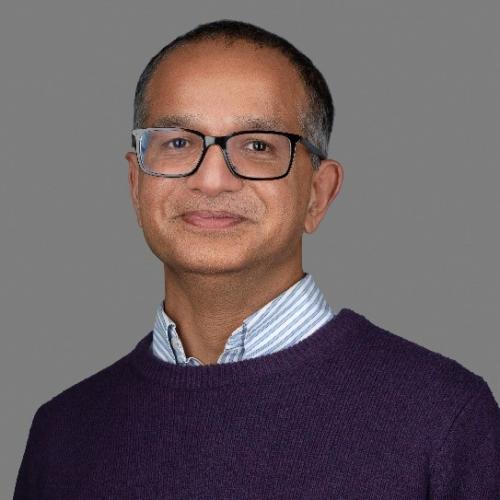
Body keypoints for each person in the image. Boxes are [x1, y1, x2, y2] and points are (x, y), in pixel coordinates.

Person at [14, 19, 499, 499]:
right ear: (136, 185)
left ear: (318, 194)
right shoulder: (62, 433)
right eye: (178, 142)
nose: (211, 181)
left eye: (257, 146)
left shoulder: (445, 417)